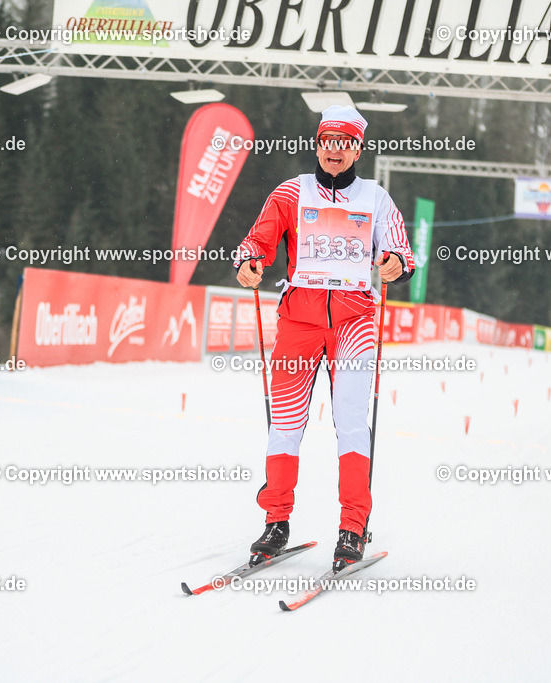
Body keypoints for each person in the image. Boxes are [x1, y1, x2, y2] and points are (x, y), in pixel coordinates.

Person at [234, 105, 415, 571]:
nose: (336, 151)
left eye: (346, 143)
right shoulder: (290, 192)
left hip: (354, 322)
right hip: (299, 320)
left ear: (358, 148)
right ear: (318, 144)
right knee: (286, 423)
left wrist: (396, 262)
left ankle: (353, 526)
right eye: (328, 141)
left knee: (352, 423)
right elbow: (258, 241)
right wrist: (250, 262)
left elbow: (400, 250)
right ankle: (276, 521)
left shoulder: (376, 199)